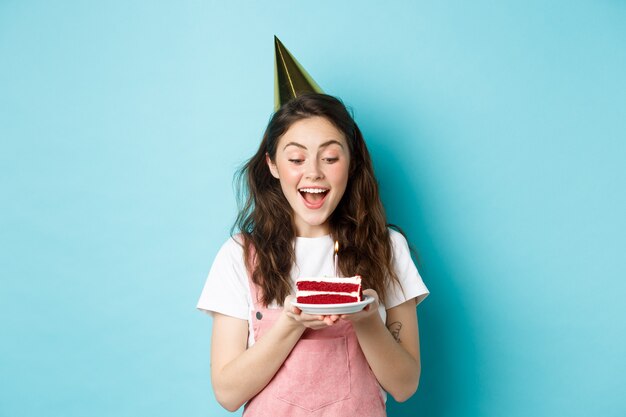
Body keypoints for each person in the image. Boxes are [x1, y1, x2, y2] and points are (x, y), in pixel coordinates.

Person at [197, 93, 429, 416]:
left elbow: (405, 386)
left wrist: (367, 320)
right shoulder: (239, 256)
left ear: (352, 162)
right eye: (296, 159)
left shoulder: (387, 248)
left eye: (330, 158)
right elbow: (227, 393)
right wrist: (291, 323)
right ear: (272, 164)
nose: (314, 173)